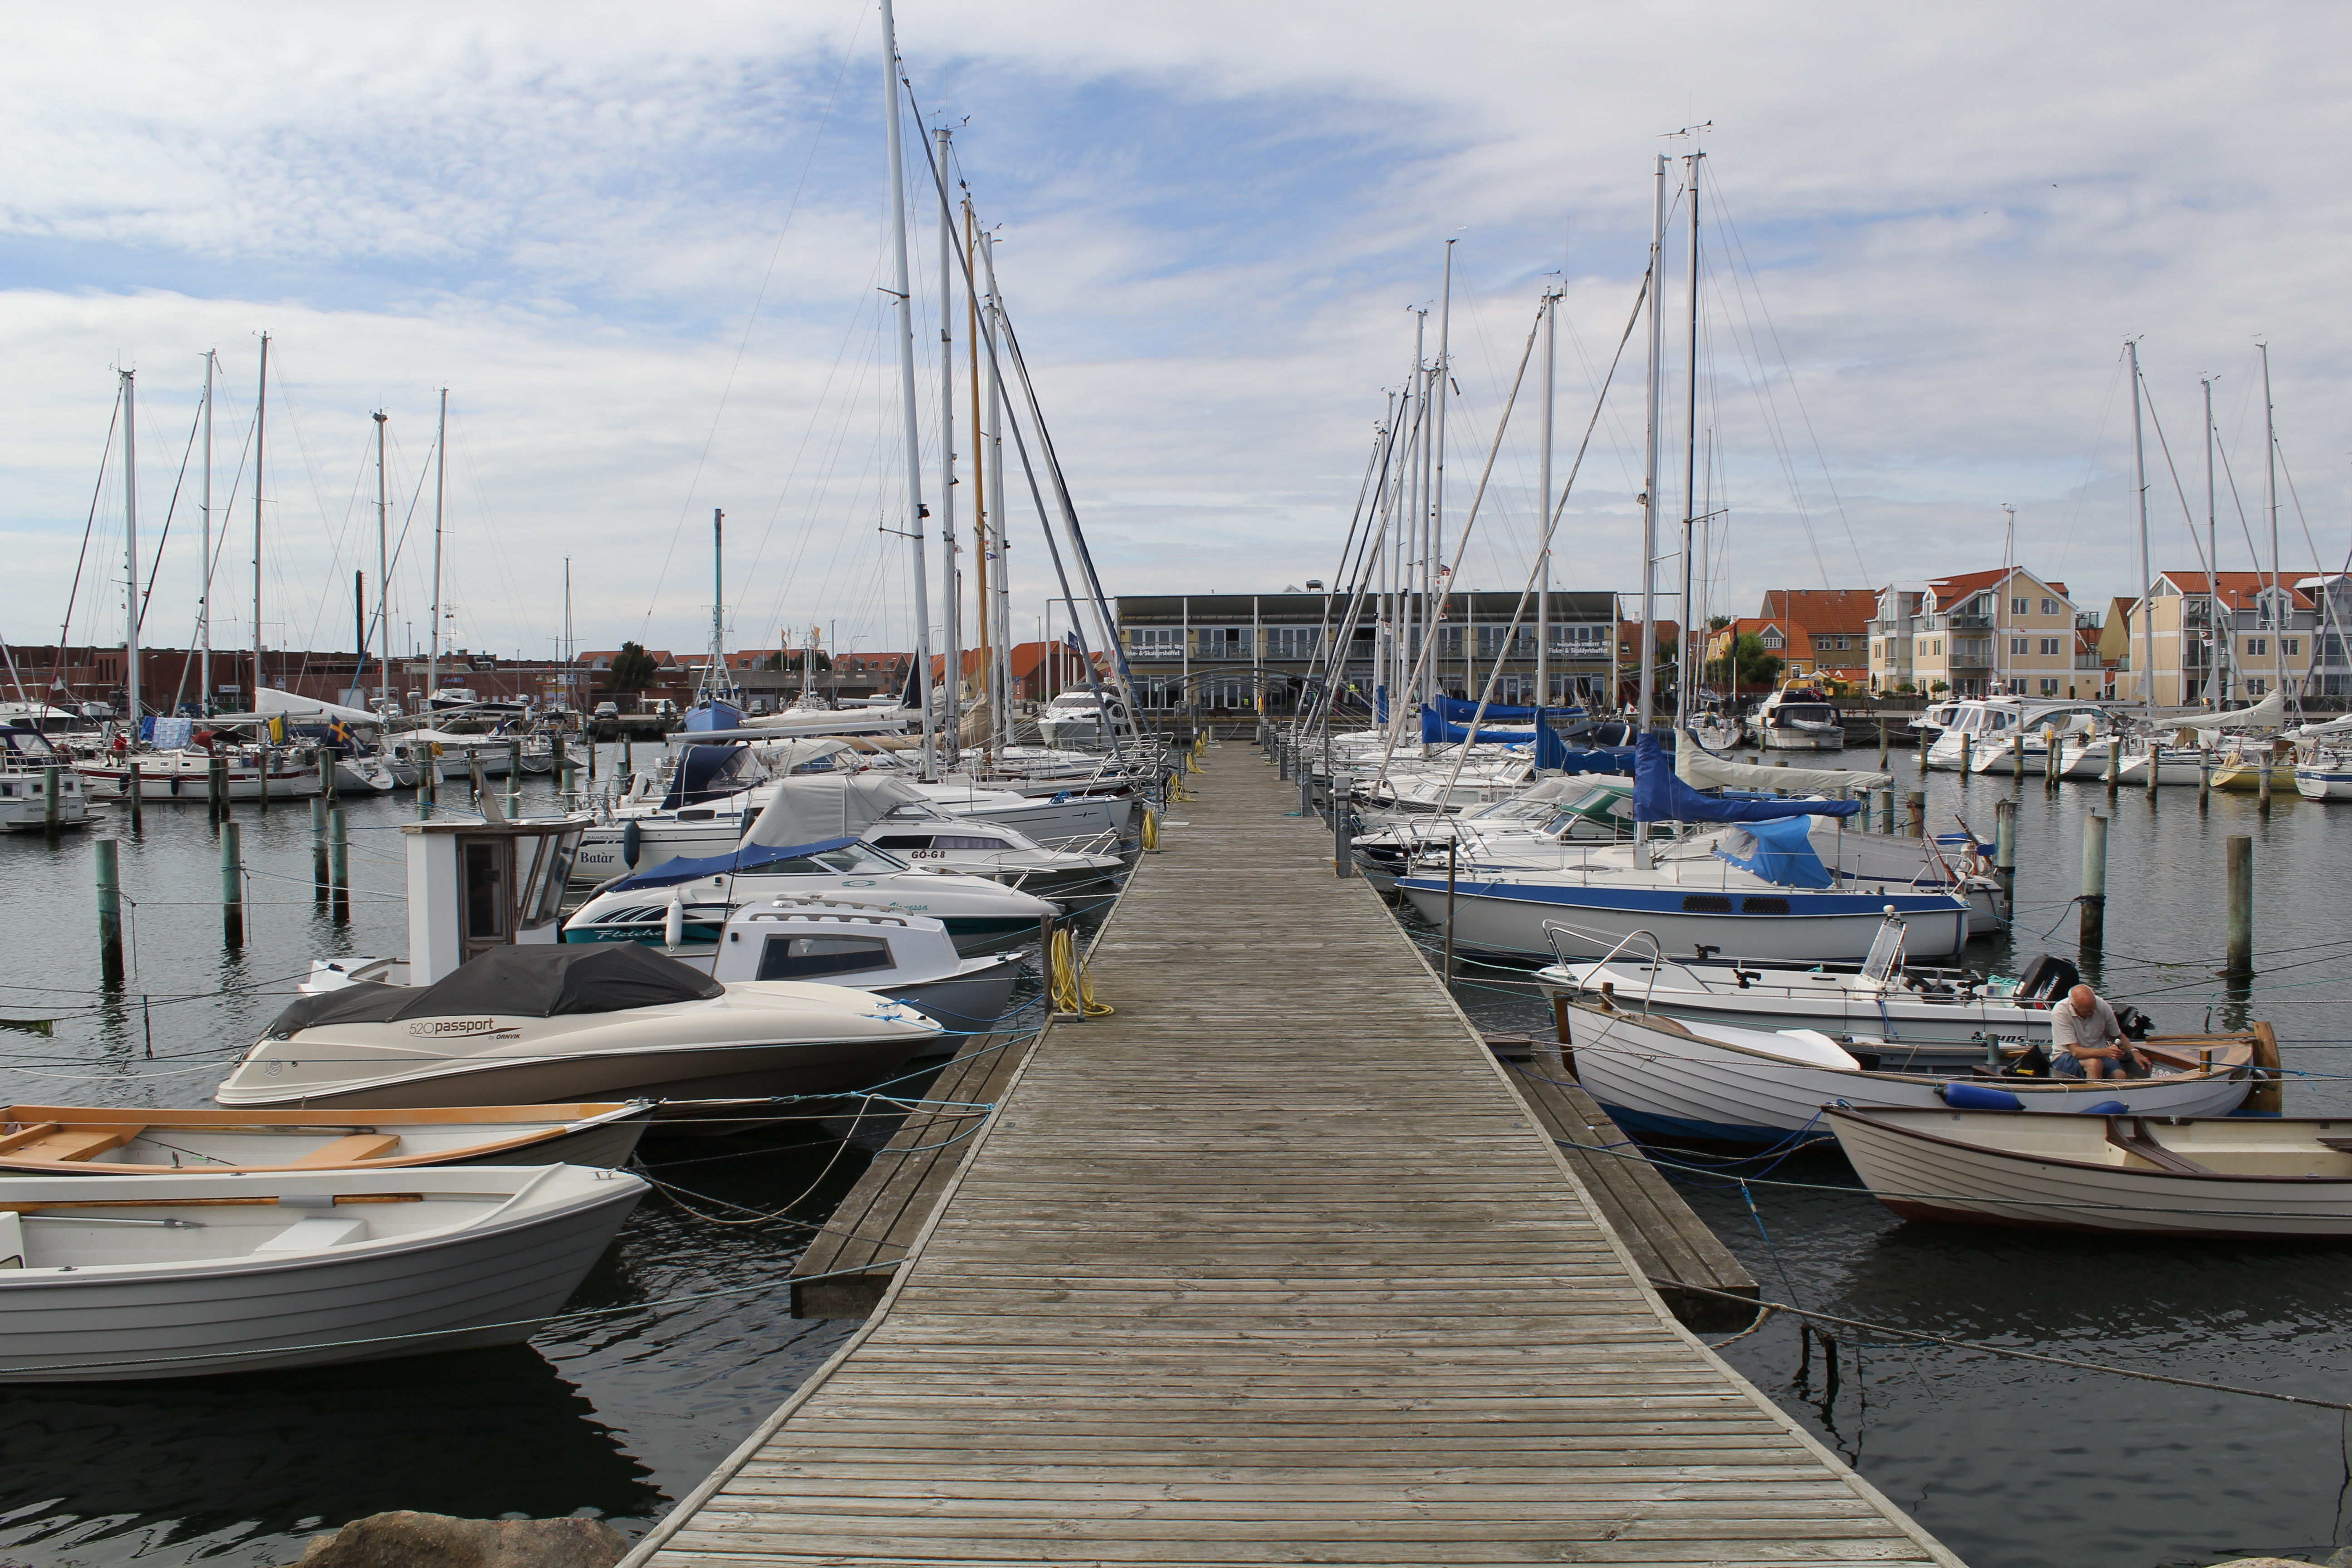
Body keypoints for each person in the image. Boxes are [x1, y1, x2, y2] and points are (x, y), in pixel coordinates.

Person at [2050, 984, 2144, 1079]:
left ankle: (2113, 1093)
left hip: (2102, 1052)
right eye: (2088, 1011)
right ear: (2074, 1006)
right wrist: (2106, 1052)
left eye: (2094, 1008)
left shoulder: (2102, 1005)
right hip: (2067, 1055)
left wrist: (2134, 1052)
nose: (2093, 1012)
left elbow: (2117, 1037)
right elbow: (2076, 1051)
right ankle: (2093, 1093)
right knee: (2095, 1065)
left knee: (2119, 1075)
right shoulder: (2060, 1012)